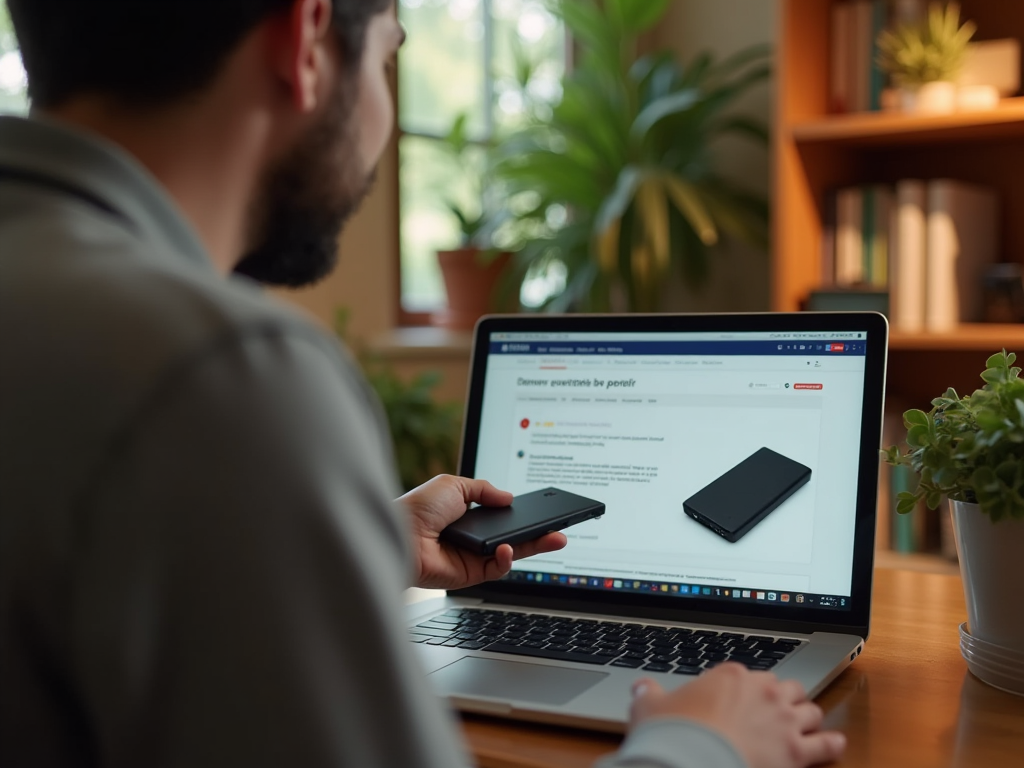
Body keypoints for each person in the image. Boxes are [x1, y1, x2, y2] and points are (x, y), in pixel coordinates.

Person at [0, 1, 847, 767]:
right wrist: (699, 745)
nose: (382, 110)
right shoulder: (221, 371)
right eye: (388, 57)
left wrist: (354, 543)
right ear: (306, 42)